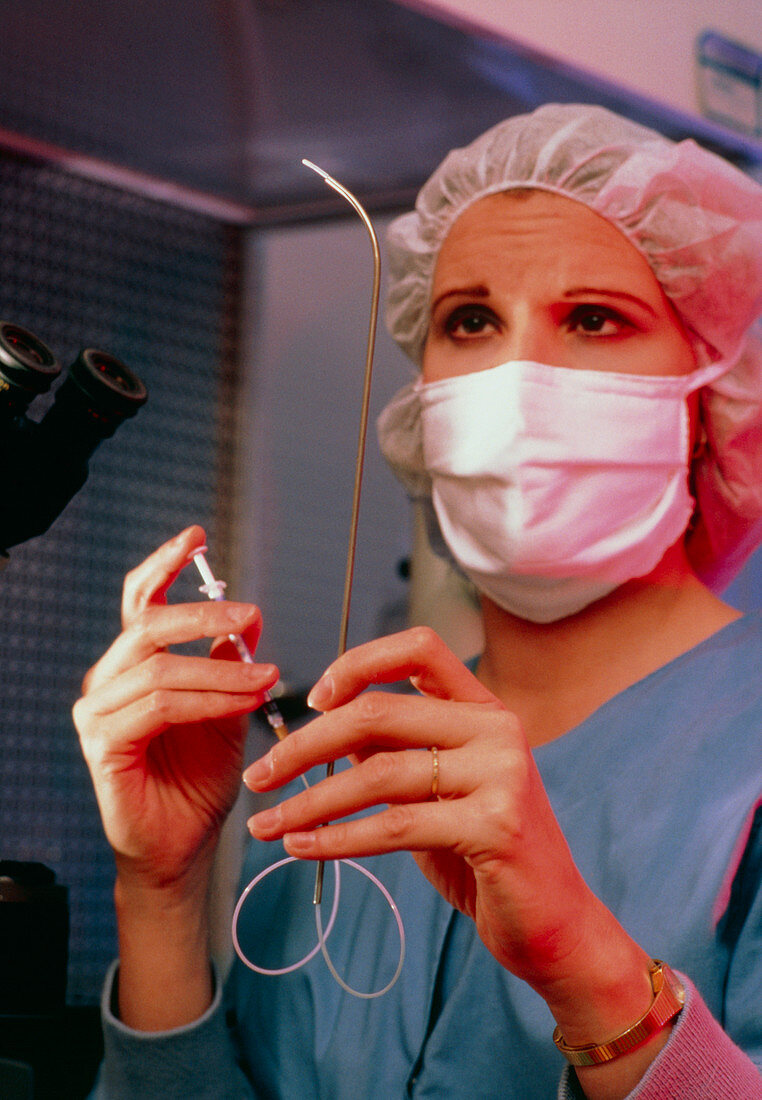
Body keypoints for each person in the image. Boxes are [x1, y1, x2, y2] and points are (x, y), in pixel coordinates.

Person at [73, 103, 762, 1099]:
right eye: (471, 320)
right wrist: (163, 891)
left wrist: (589, 972)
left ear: (710, 398)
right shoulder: (357, 758)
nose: (518, 379)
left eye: (596, 318)